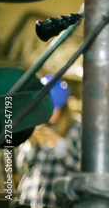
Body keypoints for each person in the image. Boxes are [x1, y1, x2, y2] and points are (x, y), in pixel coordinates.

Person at [17, 75, 81, 208]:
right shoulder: (34, 125)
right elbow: (22, 166)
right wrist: (32, 145)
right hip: (30, 200)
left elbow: (79, 165)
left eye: (52, 107)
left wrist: (57, 142)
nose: (47, 112)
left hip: (57, 202)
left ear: (63, 106)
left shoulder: (76, 127)